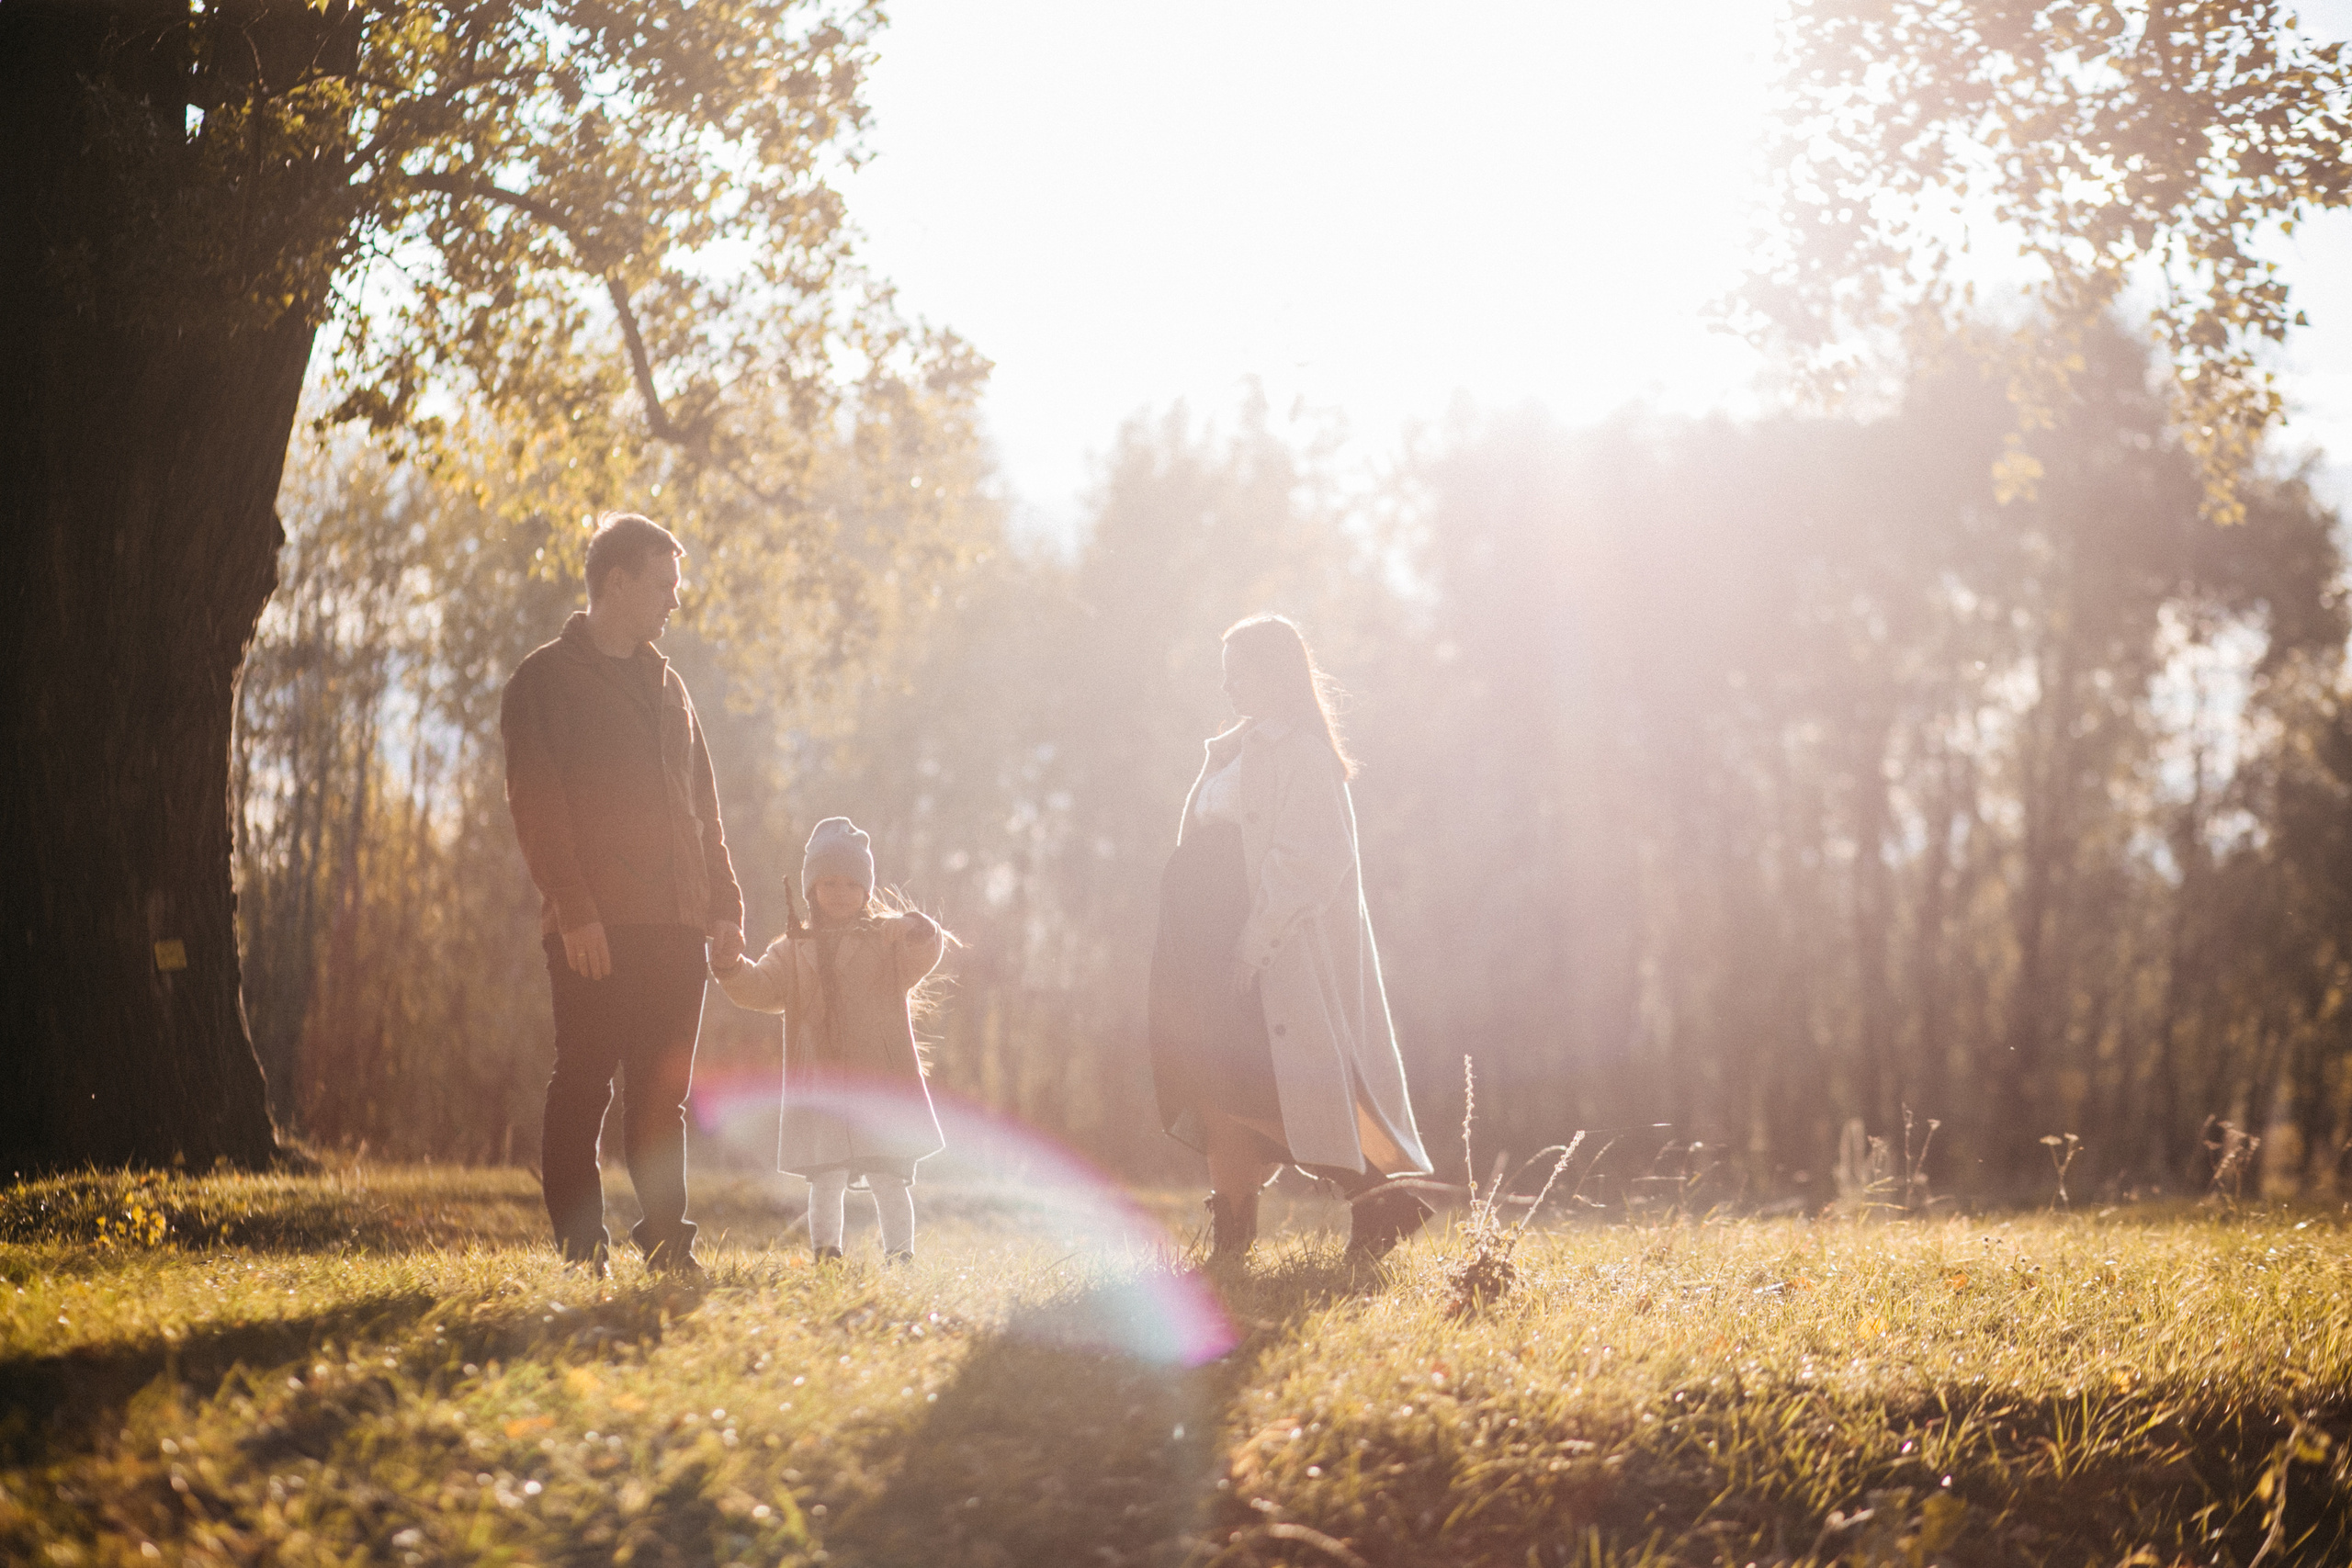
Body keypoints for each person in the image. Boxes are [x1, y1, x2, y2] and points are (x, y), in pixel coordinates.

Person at [500, 513, 745, 1280]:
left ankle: (671, 1246)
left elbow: (703, 805)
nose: (675, 600)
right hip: (595, 925)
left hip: (679, 927)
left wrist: (726, 905)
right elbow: (537, 805)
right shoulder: (543, 680)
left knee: (661, 1097)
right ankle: (581, 1251)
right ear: (618, 581)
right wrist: (575, 908)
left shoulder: (673, 689)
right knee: (583, 1082)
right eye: (665, 584)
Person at [1148, 615, 1434, 1262]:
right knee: (1208, 1078)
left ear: (1276, 673)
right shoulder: (1235, 748)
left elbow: (1307, 859)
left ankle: (1378, 1196)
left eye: (1238, 674)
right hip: (1200, 939)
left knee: (1249, 1083)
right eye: (1223, 678)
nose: (1228, 689)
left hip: (1256, 945)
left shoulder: (1303, 754)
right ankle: (1233, 1241)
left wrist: (1254, 941)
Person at [715, 818, 948, 1264]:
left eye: (850, 883)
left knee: (888, 1178)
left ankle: (901, 1257)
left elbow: (927, 950)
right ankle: (827, 1256)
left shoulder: (887, 939)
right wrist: (730, 967)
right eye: (828, 883)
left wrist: (915, 925)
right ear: (810, 890)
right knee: (825, 1178)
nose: (840, 893)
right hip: (819, 1082)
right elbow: (762, 989)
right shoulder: (791, 948)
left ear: (865, 890)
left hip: (878, 1080)